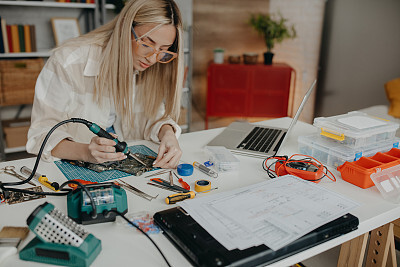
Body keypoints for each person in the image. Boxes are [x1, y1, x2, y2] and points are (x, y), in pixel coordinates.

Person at [26, 0, 184, 169]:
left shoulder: (151, 69)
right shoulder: (68, 61)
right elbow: (40, 135)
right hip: (75, 170)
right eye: (146, 44)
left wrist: (168, 133)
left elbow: (154, 116)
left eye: (164, 50)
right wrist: (86, 152)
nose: (153, 58)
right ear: (125, 28)